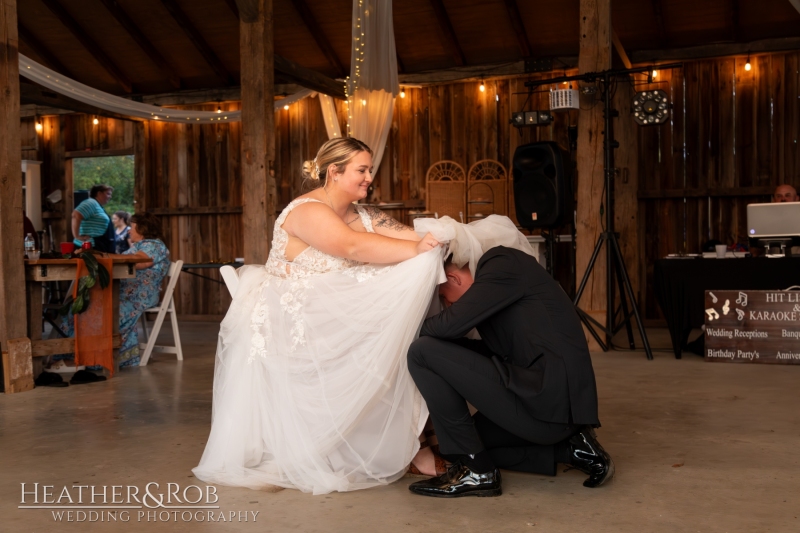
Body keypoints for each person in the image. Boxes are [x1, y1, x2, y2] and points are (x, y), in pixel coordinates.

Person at [193, 138, 443, 494]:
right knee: (390, 325)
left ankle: (413, 436)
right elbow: (351, 247)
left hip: (331, 309)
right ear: (334, 172)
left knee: (402, 319)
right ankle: (412, 444)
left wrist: (441, 239)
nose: (369, 177)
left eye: (370, 169)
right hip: (292, 315)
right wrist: (418, 249)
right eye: (362, 170)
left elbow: (414, 236)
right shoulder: (308, 211)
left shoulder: (364, 214)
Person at [405, 239, 614, 498]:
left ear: (453, 278)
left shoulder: (500, 264)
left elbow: (447, 326)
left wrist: (401, 334)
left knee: (421, 351)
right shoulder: (502, 285)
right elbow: (496, 351)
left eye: (444, 298)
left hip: (548, 402)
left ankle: (476, 472)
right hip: (554, 410)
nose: (448, 305)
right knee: (465, 444)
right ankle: (574, 449)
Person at [115, 212, 170, 367]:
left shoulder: (153, 245)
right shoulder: (139, 246)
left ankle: (110, 356)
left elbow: (139, 262)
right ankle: (89, 353)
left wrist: (104, 257)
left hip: (140, 296)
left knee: (110, 309)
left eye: (132, 227)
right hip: (127, 293)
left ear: (143, 229)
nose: (129, 231)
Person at [72, 184, 115, 252]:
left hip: (97, 246)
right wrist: (76, 236)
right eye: (108, 194)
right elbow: (76, 215)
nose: (110, 197)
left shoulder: (98, 206)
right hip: (89, 248)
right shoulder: (91, 202)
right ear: (99, 193)